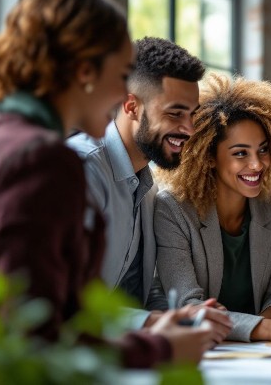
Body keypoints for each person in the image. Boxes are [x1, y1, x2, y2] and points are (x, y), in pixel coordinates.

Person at [0, 0, 212, 367]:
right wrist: (163, 349)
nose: (122, 93)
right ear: (85, 71)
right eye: (122, 71)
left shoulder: (10, 139)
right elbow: (36, 340)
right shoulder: (45, 160)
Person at [67, 37, 231, 341]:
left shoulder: (148, 186)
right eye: (174, 113)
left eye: (193, 114)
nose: (190, 129)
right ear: (131, 106)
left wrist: (181, 317)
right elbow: (70, 299)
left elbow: (137, 291)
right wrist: (152, 321)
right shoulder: (81, 171)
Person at [154, 73, 271, 342]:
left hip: (261, 352)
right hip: (200, 347)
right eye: (240, 153)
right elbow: (190, 306)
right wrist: (267, 330)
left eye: (262, 150)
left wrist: (267, 334)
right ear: (209, 157)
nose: (257, 164)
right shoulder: (172, 209)